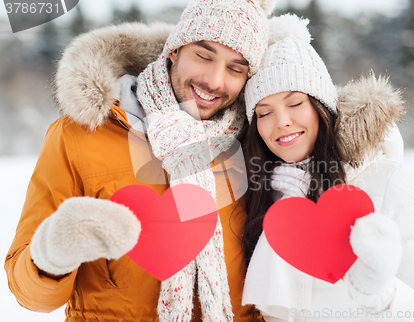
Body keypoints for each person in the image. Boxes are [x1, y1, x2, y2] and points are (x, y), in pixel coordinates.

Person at [4, 0, 276, 321]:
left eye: (236, 68)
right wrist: (53, 253)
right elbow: (31, 297)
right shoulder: (78, 135)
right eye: (204, 55)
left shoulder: (256, 140)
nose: (215, 81)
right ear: (174, 50)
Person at [241, 15, 414, 321]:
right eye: (264, 112)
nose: (282, 122)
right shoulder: (263, 198)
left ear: (322, 106)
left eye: (295, 103)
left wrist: (382, 294)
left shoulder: (389, 181)